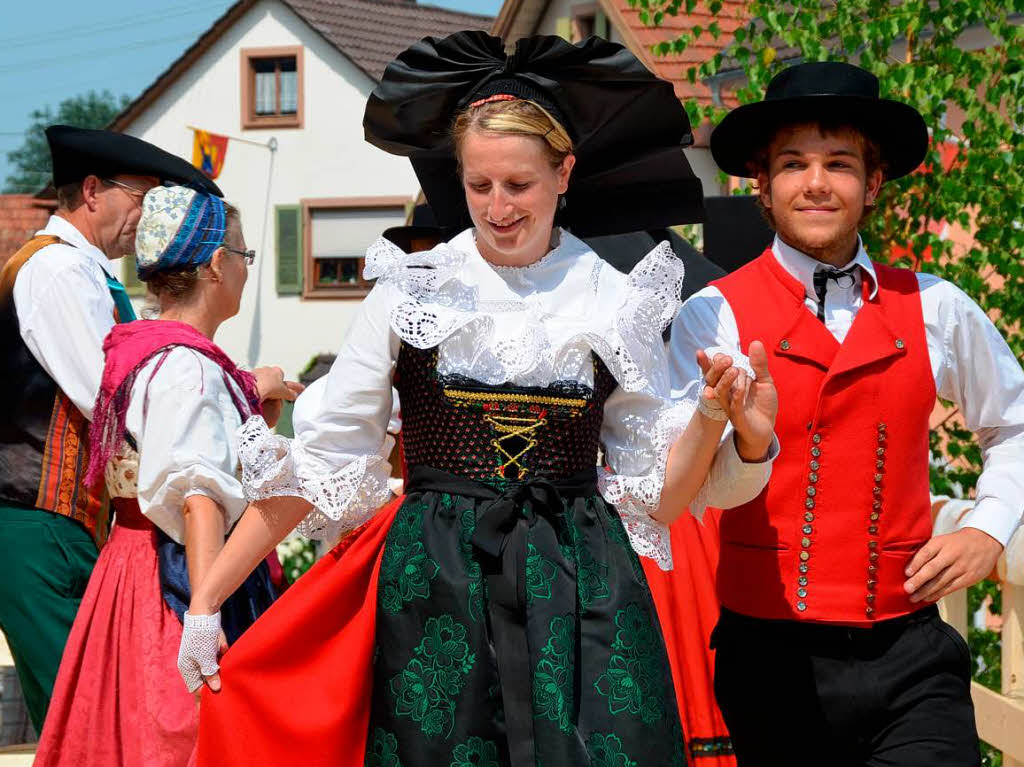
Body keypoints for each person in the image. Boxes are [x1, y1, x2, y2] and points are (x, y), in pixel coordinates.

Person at [178, 32, 779, 767]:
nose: (497, 206)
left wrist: (715, 415)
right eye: (478, 185)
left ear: (565, 172)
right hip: (436, 585)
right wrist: (207, 600)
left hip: (581, 586)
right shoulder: (410, 290)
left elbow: (660, 495)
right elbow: (323, 464)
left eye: (519, 184)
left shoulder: (614, 299)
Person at [670, 60, 1024, 765]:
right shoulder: (711, 315)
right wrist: (746, 439)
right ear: (763, 187)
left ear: (873, 185)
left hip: (913, 649)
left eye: (839, 163)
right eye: (794, 164)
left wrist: (990, 526)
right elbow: (695, 487)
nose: (817, 182)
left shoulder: (937, 305)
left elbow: (1015, 422)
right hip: (770, 657)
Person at [33, 185, 298, 765]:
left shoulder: (140, 348)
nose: (246, 272)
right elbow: (196, 497)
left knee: (122, 730)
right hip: (175, 577)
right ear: (214, 263)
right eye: (245, 257)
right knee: (185, 733)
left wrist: (254, 405)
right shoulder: (189, 369)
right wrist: (203, 613)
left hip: (130, 566)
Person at [0, 125, 222, 732]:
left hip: (64, 523)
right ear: (93, 191)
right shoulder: (57, 272)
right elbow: (111, 397)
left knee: (91, 714)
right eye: (143, 199)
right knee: (79, 721)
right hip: (35, 519)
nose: (147, 220)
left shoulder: (85, 272)